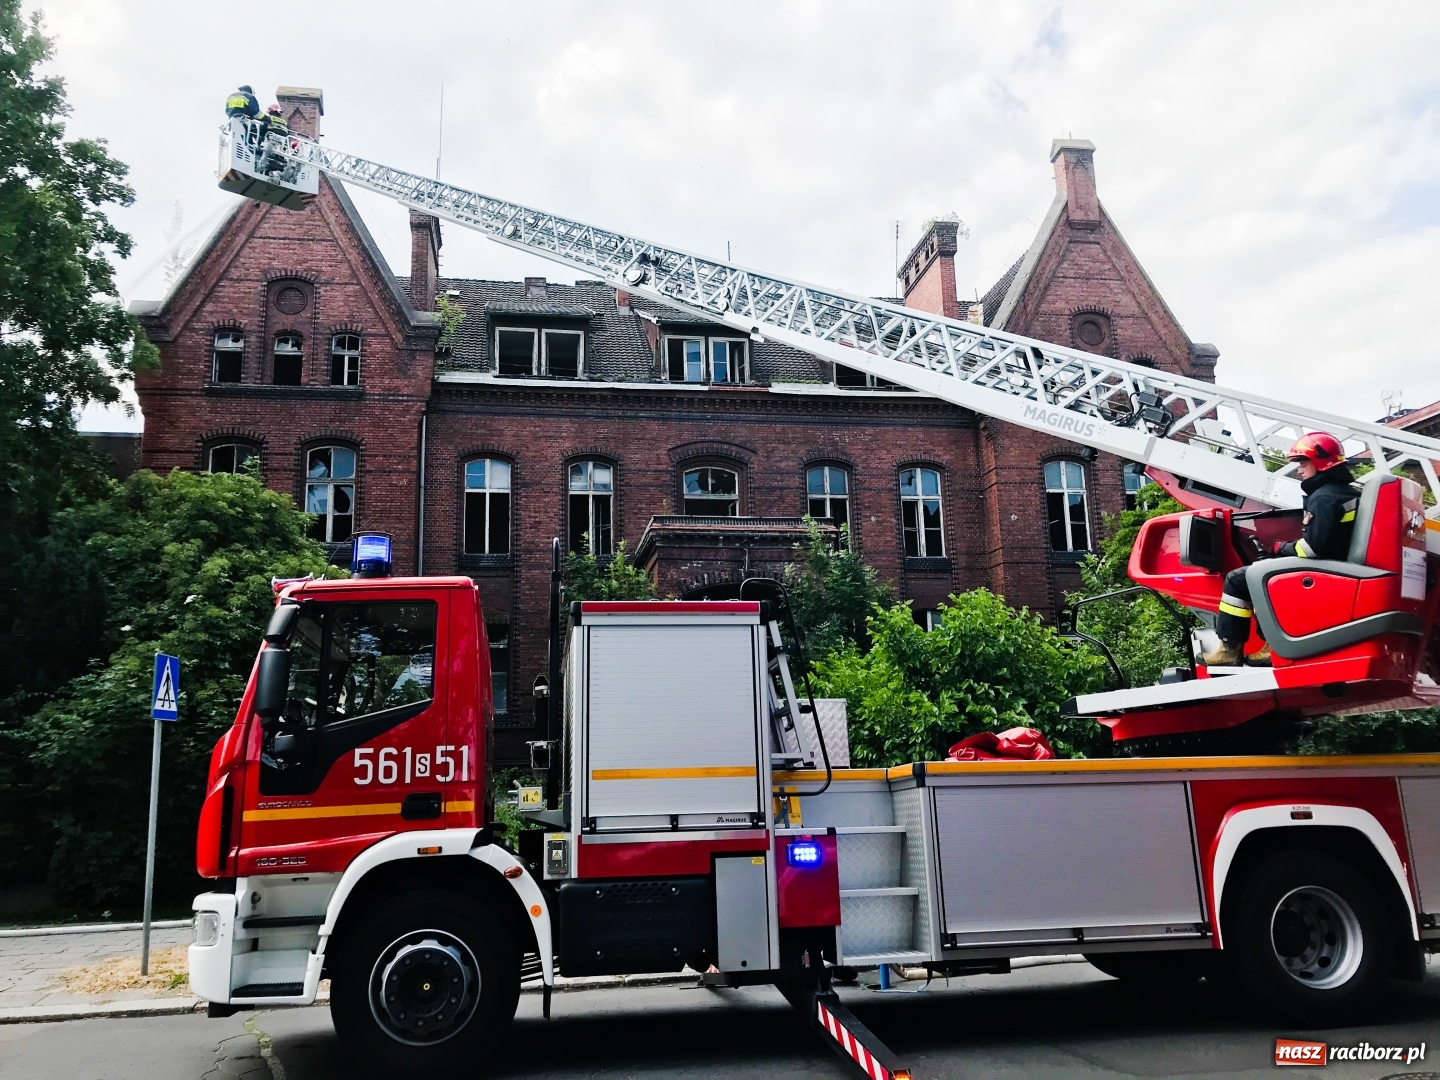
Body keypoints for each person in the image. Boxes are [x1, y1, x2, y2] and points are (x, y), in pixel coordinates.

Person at [1201, 431, 1359, 667]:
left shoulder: (1324, 498)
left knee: (1241, 578)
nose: (1299, 470)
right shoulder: (1347, 493)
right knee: (1262, 571)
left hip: (1324, 567)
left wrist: (1280, 548)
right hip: (1340, 564)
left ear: (1320, 463)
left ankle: (1233, 649)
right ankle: (1265, 644)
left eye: (1302, 462)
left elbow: (1313, 550)